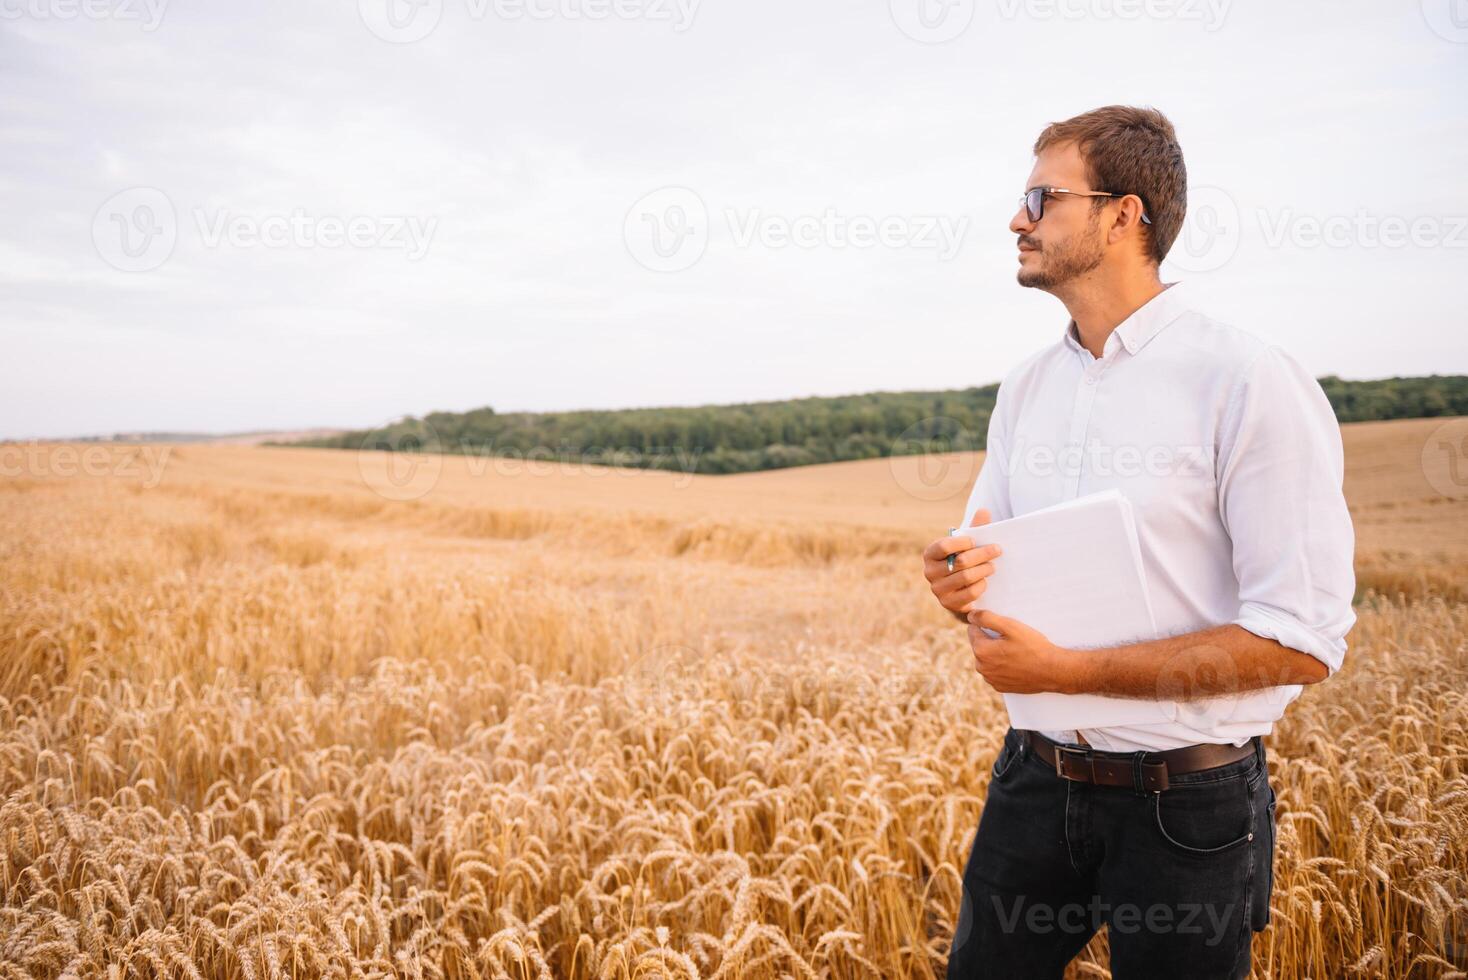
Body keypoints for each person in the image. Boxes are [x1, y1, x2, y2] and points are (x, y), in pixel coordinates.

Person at [922, 105, 1356, 979]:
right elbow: (988, 556)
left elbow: (1303, 642)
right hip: (1034, 783)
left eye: (1042, 198)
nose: (1018, 219)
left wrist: (1068, 675)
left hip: (1186, 807)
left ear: (1126, 216)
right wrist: (955, 578)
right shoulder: (1027, 386)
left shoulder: (1246, 380)